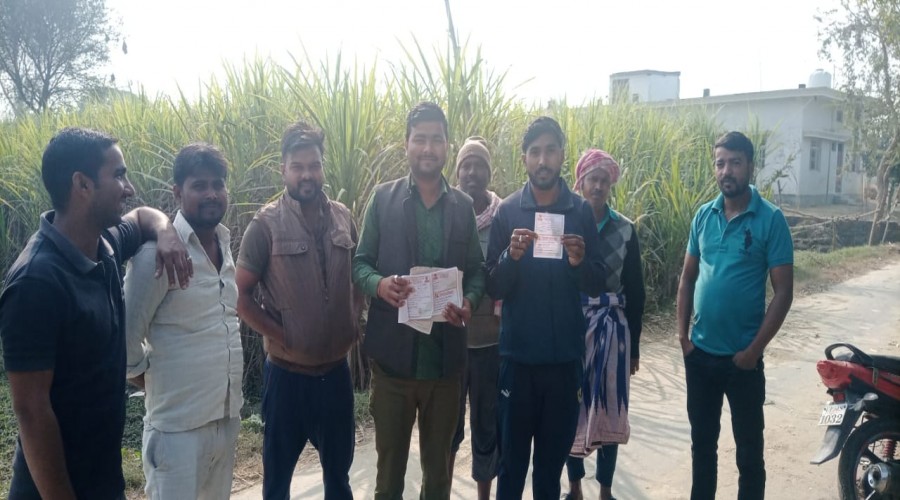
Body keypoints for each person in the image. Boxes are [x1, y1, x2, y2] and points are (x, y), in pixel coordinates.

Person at [0, 127, 191, 500]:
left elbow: (142, 217)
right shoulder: (35, 282)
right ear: (82, 184)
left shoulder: (104, 245)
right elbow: (32, 412)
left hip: (103, 480)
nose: (128, 188)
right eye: (118, 175)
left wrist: (166, 231)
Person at [352, 102, 485, 500]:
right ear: (406, 144)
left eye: (436, 140)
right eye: (420, 139)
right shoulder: (383, 199)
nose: (428, 148)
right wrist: (380, 285)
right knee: (389, 477)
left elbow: (477, 271)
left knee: (438, 477)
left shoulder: (462, 207)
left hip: (445, 367)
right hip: (393, 366)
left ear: (447, 146)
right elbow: (359, 263)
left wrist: (469, 302)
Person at [236, 121, 360, 500]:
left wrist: (354, 319)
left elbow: (358, 275)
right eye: (298, 167)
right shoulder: (265, 225)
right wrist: (284, 334)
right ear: (283, 170)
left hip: (335, 377)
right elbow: (240, 296)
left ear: (323, 167)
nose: (307, 174)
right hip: (286, 379)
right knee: (277, 485)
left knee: (338, 480)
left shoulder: (343, 217)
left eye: (314, 165)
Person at [485, 116, 605, 500]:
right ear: (524, 158)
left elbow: (597, 283)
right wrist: (510, 257)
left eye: (550, 150)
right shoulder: (508, 212)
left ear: (562, 156)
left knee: (549, 473)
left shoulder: (580, 212)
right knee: (511, 468)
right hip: (517, 362)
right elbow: (493, 285)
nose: (542, 160)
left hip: (564, 363)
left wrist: (579, 263)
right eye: (535, 151)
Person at [677, 131, 793, 500]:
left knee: (749, 455)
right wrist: (683, 337)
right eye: (720, 163)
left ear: (750, 166)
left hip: (743, 360)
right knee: (702, 448)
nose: (726, 171)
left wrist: (753, 351)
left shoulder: (770, 219)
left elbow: (783, 292)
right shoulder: (703, 216)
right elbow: (688, 277)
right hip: (701, 356)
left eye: (735, 163)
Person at [124, 143, 243, 499]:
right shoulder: (156, 255)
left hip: (225, 422)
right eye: (199, 185)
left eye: (218, 184)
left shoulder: (224, 244)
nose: (212, 194)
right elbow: (125, 340)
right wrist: (153, 380)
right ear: (177, 192)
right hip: (177, 432)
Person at [565, 149, 646, 500]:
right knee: (571, 404)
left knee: (611, 406)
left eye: (604, 180)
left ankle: (606, 490)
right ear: (580, 183)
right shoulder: (568, 225)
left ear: (610, 185)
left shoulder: (625, 229)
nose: (597, 186)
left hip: (613, 330)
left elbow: (636, 292)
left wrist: (634, 348)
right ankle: (575, 487)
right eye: (592, 180)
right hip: (572, 326)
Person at [449, 137, 502, 500]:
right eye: (465, 165)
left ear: (489, 172)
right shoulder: (448, 212)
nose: (472, 172)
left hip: (491, 342)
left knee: (487, 428)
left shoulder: (505, 216)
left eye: (479, 165)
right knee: (448, 429)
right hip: (452, 342)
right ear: (457, 172)